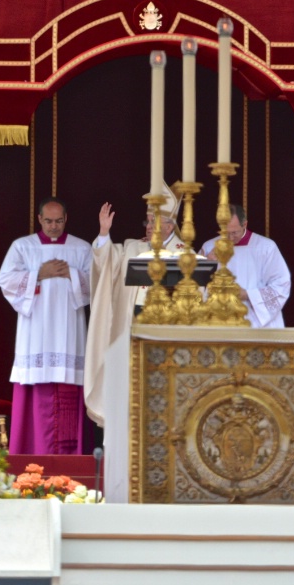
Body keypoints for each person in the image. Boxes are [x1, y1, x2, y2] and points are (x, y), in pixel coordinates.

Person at [84, 182, 183, 502]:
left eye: (156, 221)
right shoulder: (131, 248)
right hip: (130, 343)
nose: (150, 226)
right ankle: (121, 480)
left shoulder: (188, 255)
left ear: (171, 224)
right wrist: (103, 233)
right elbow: (103, 263)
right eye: (147, 221)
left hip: (168, 348)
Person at [0, 197, 92, 455]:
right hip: (35, 332)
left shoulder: (81, 248)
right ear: (39, 219)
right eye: (48, 221)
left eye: (58, 221)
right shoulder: (22, 247)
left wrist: (71, 274)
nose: (53, 226)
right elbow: (4, 280)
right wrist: (40, 273)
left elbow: (98, 285)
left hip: (68, 331)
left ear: (66, 219)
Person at [199, 204, 291, 328]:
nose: (230, 238)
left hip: (256, 323)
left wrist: (248, 295)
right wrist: (206, 264)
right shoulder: (209, 247)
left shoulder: (266, 247)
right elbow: (194, 286)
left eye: (234, 232)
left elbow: (282, 285)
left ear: (245, 225)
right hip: (219, 320)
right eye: (225, 233)